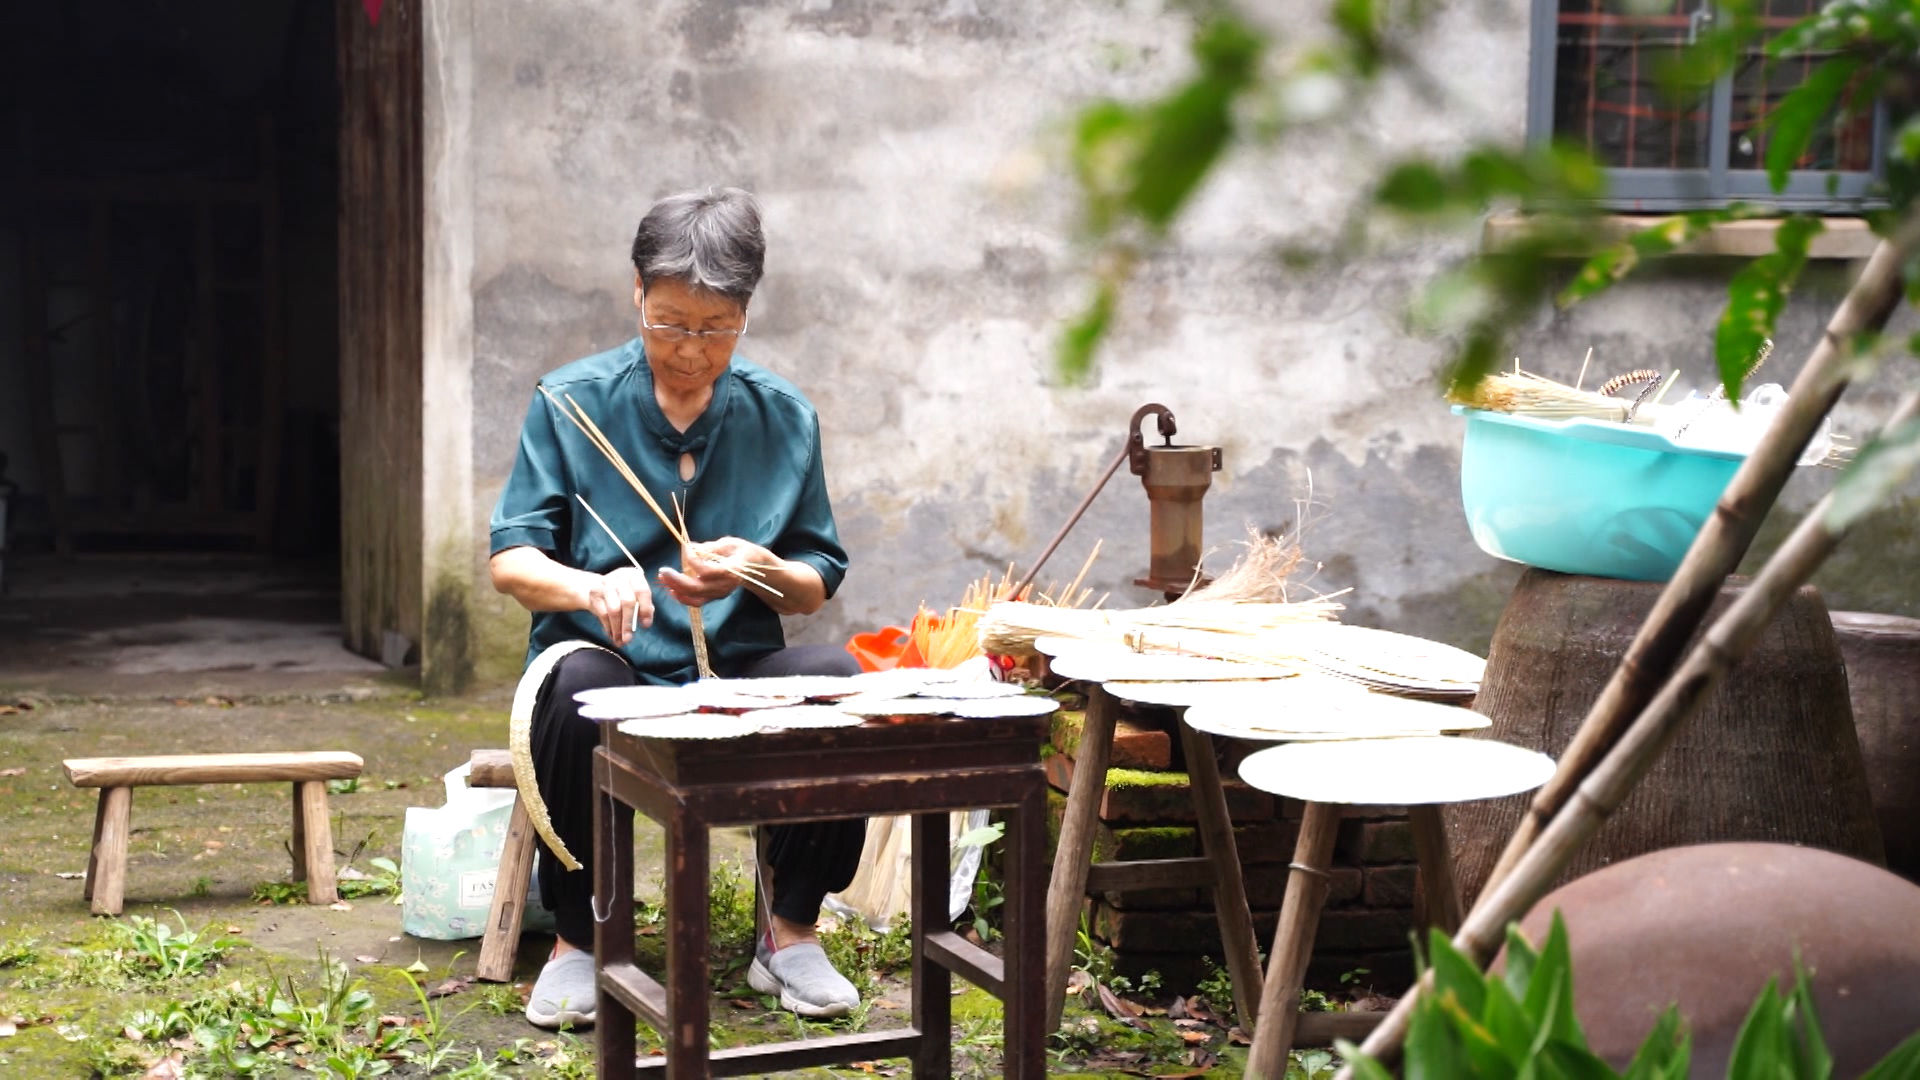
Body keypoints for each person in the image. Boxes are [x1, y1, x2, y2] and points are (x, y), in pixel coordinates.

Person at [488, 187, 866, 1030]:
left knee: (841, 681)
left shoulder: (785, 417)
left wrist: (762, 570)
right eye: (668, 322)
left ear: (745, 313)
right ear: (636, 293)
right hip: (609, 656)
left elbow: (817, 575)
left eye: (714, 328)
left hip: (729, 663)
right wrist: (589, 587)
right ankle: (580, 945)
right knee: (579, 688)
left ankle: (790, 932)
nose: (690, 349)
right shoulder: (570, 401)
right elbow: (511, 559)